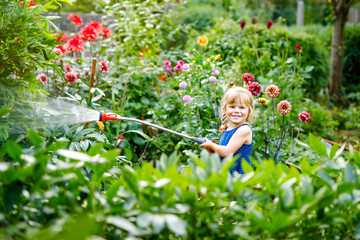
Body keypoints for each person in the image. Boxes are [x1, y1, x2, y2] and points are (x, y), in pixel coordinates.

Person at [200, 86, 255, 175]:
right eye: (232, 107)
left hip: (239, 176)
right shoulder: (228, 127)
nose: (237, 111)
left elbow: (227, 152)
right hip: (227, 173)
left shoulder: (244, 130)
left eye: (242, 107)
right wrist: (212, 150)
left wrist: (212, 145)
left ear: (249, 111)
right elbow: (223, 153)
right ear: (225, 109)